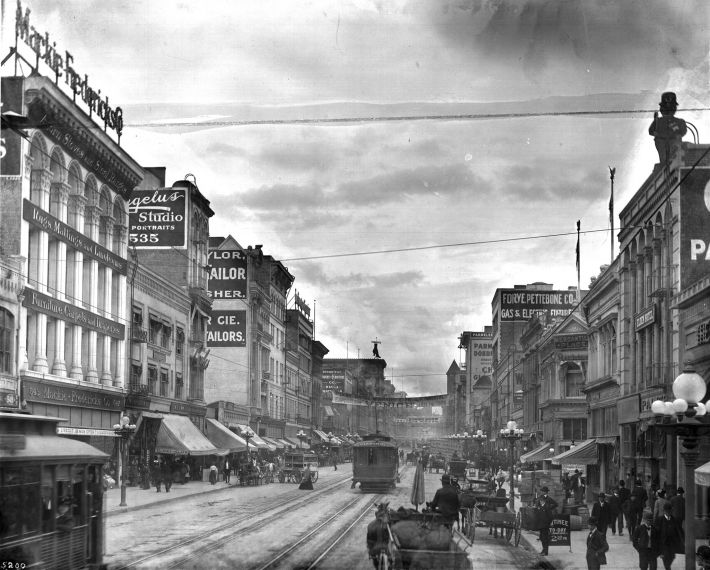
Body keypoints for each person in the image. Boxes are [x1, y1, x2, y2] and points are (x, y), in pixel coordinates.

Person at [652, 502, 684, 570]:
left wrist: (681, 541)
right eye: (667, 511)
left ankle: (668, 567)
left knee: (671, 557)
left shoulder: (675, 520)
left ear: (671, 511)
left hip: (672, 544)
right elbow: (655, 533)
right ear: (664, 511)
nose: (668, 512)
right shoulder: (659, 520)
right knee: (666, 560)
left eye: (670, 510)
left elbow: (679, 531)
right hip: (663, 544)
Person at [535, 486, 558, 556]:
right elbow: (538, 506)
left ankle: (545, 551)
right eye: (541, 491)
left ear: (545, 492)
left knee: (544, 537)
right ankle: (544, 550)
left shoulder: (548, 499)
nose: (542, 492)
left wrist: (548, 508)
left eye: (543, 491)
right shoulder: (540, 497)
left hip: (545, 522)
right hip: (541, 521)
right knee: (542, 537)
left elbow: (556, 504)